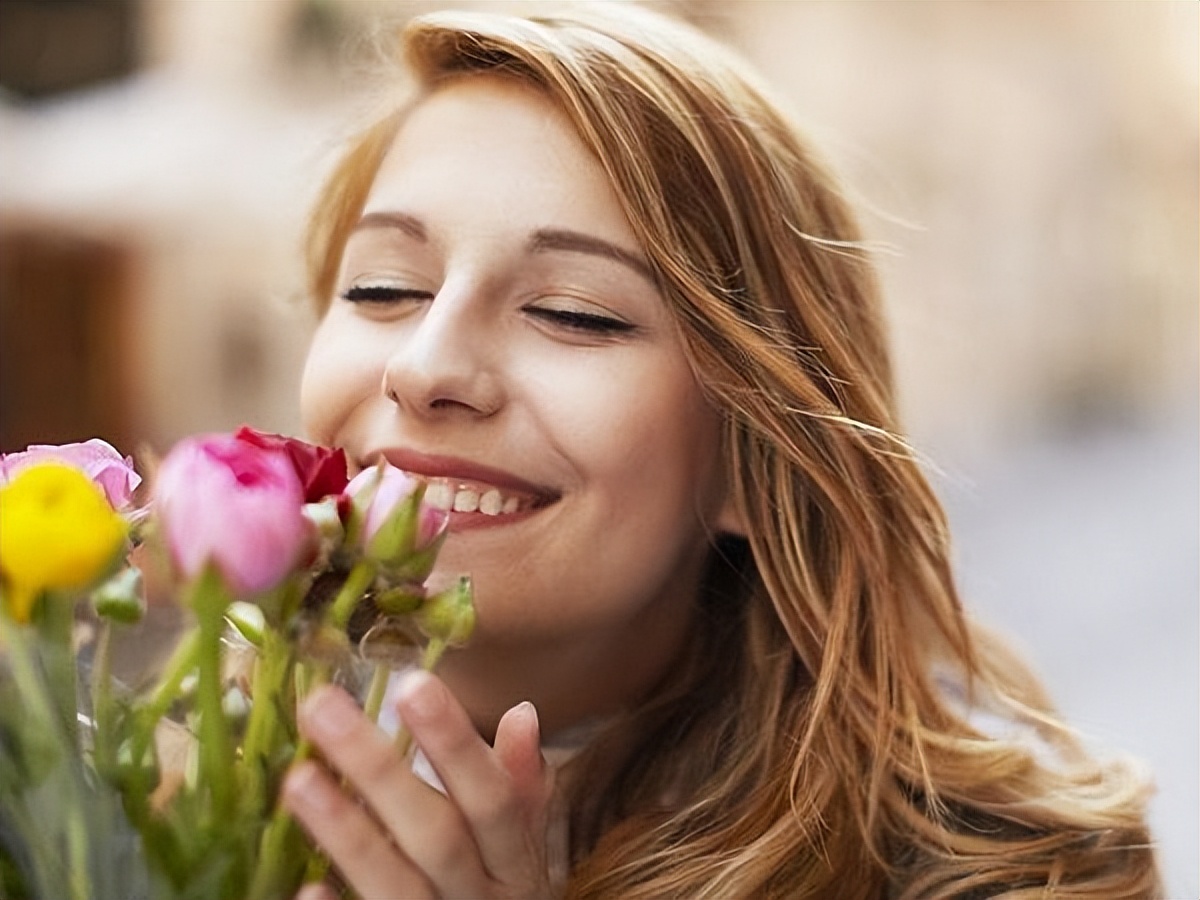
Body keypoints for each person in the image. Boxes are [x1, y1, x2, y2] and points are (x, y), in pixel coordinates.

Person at [280, 4, 1162, 898]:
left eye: (574, 312)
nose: (424, 367)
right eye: (382, 288)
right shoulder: (204, 768)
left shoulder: (1025, 876)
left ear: (757, 452)